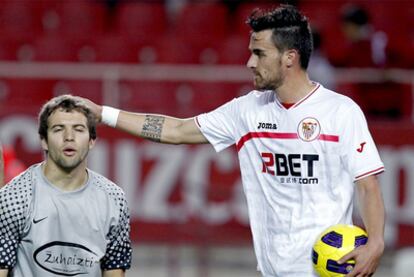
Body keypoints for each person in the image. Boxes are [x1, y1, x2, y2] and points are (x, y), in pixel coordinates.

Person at [81, 5, 385, 277]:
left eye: (260, 53)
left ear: (289, 57)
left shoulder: (341, 112)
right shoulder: (246, 110)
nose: (250, 63)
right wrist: (104, 113)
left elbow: (367, 185)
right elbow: (175, 130)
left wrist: (376, 242)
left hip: (327, 269)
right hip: (271, 270)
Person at [0, 95, 132, 277]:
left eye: (78, 129)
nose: (69, 137)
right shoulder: (14, 196)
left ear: (92, 140)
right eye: (58, 129)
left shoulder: (114, 199)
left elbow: (114, 270)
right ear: (43, 140)